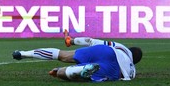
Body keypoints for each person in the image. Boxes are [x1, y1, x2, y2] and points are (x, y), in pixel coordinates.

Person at [12, 30, 142, 82]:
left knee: (63, 55)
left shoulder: (121, 47)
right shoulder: (132, 70)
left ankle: (23, 53)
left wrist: (72, 41)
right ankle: (80, 70)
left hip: (108, 51)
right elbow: (124, 79)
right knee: (61, 73)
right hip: (114, 69)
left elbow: (91, 41)